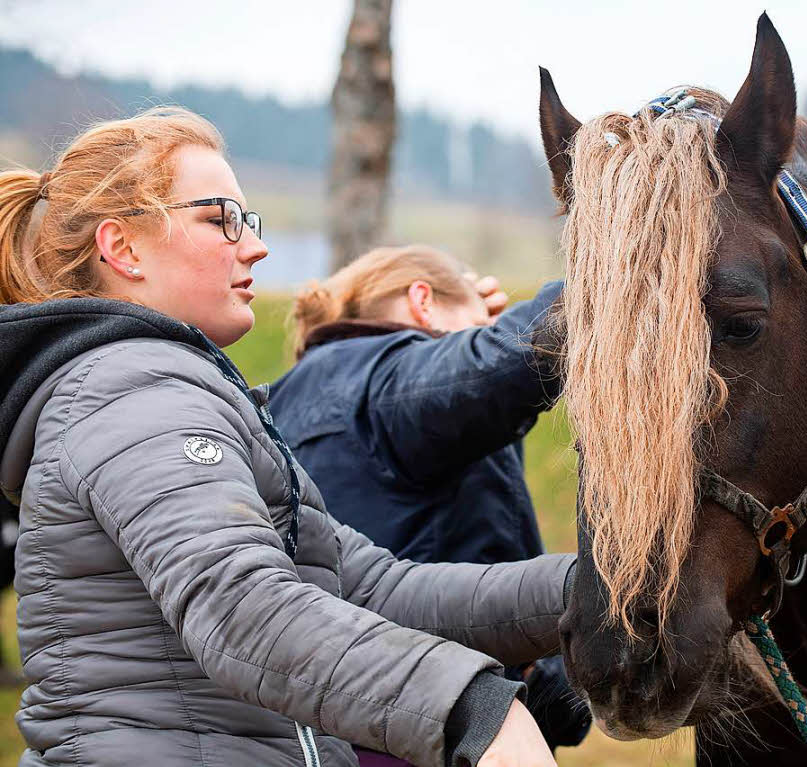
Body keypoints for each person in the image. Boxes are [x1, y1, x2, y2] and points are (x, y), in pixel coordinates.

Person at [0, 107, 573, 767]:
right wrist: (466, 704)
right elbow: (243, 607)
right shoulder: (129, 392)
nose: (255, 245)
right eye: (220, 219)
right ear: (122, 247)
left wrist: (589, 594)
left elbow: (371, 589)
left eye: (249, 220)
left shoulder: (168, 389)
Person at [269, 247, 590, 760]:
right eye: (477, 322)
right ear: (422, 300)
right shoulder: (380, 378)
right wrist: (623, 263)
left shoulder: (294, 398)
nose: (486, 329)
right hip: (427, 726)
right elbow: (495, 367)